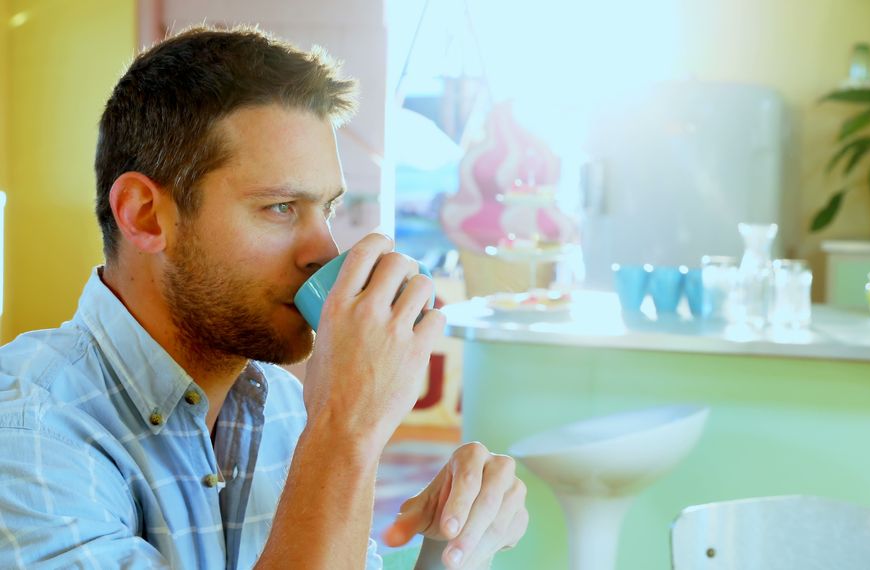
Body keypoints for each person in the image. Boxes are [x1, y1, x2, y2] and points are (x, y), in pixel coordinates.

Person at [0, 26, 526, 570]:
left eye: (325, 209)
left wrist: (449, 550)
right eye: (280, 207)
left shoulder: (285, 409)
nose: (324, 251)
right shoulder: (27, 434)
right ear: (144, 215)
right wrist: (346, 430)